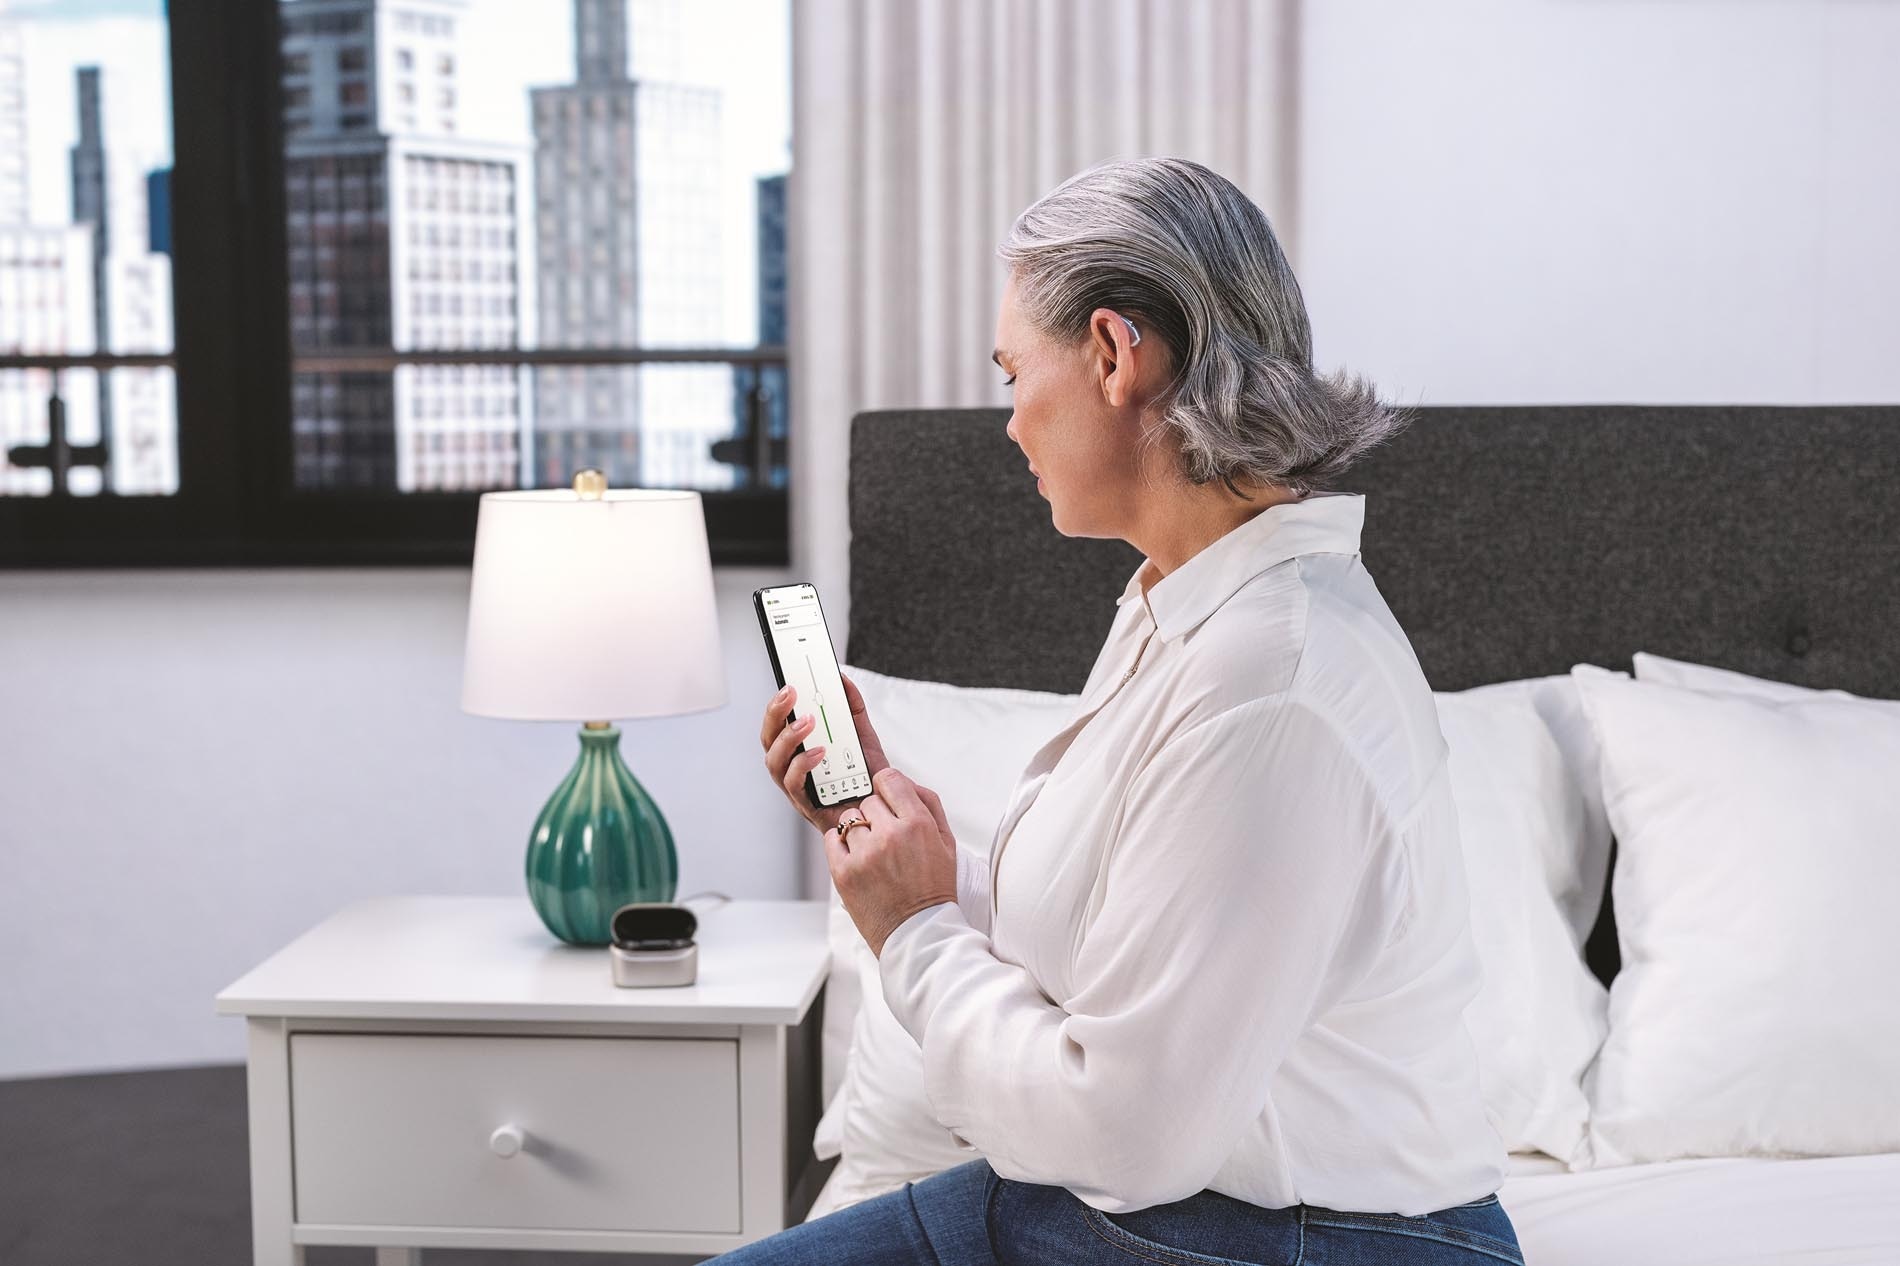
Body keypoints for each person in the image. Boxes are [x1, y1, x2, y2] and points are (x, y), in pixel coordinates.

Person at [721, 156, 1524, 1265]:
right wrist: (915, 848)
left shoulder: (1271, 682)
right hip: (1150, 1214)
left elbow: (1126, 1135)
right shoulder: (1185, 603)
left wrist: (909, 931)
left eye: (1013, 373)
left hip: (1295, 1238)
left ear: (1111, 353)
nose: (1008, 423)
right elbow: (1122, 915)